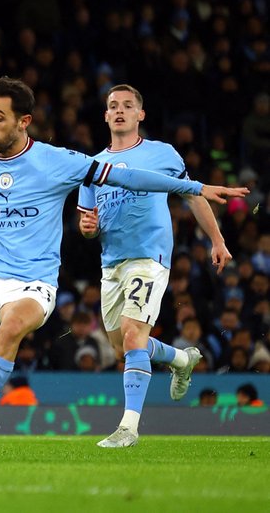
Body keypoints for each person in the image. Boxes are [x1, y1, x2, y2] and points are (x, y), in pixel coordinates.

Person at [0, 76, 248, 458]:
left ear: (24, 121)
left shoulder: (58, 161)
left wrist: (195, 188)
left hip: (33, 284)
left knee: (14, 328)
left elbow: (129, 179)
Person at [76, 83, 232, 448]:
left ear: (140, 114)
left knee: (133, 334)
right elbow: (87, 221)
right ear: (105, 115)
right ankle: (180, 359)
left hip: (150, 257)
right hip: (111, 262)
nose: (119, 111)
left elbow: (193, 195)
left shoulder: (162, 153)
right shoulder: (92, 167)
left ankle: (128, 428)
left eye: (127, 106)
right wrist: (88, 227)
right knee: (123, 348)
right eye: (113, 106)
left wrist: (217, 239)